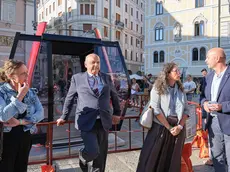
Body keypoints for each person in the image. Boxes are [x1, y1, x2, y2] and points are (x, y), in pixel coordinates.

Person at [56, 53, 121, 172]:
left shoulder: (106, 77)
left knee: (101, 156)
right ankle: (83, 156)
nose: (96, 65)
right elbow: (69, 98)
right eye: (93, 62)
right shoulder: (77, 78)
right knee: (93, 151)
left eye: (98, 62)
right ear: (85, 64)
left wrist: (117, 112)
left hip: (104, 120)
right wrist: (64, 116)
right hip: (86, 121)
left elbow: (114, 96)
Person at [136, 62, 189, 172]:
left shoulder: (181, 89)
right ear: (168, 73)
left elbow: (186, 110)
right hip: (160, 127)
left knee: (173, 158)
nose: (179, 73)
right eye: (176, 71)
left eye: (179, 71)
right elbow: (155, 109)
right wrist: (169, 128)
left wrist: (180, 126)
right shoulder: (158, 87)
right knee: (154, 156)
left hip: (178, 128)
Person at [0, 60, 44, 172]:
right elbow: (3, 116)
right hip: (7, 138)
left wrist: (20, 122)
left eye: (27, 72)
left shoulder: (30, 92)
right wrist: (20, 95)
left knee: (22, 168)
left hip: (26, 136)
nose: (27, 76)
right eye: (23, 73)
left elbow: (40, 113)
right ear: (11, 76)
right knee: (6, 167)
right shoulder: (2, 91)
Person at [201, 48, 230, 172]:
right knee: (217, 157)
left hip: (228, 122)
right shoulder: (208, 77)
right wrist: (205, 103)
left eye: (208, 57)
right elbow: (202, 96)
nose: (206, 60)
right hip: (212, 122)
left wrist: (222, 106)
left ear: (217, 58)